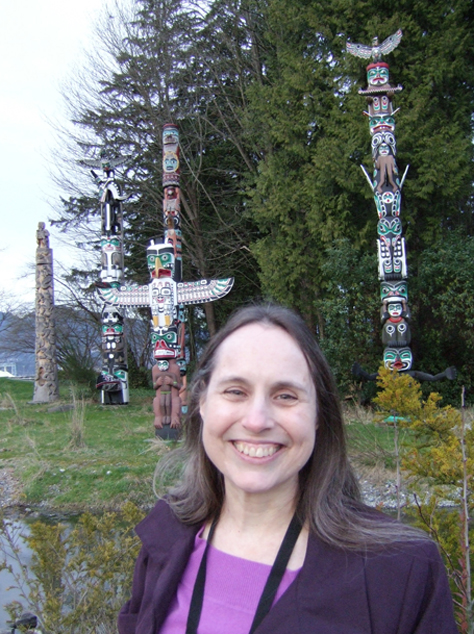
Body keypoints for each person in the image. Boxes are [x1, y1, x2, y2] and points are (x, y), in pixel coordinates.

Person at [118, 303, 458, 634]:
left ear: (319, 416)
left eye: (286, 396)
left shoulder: (399, 571)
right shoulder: (165, 538)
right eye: (236, 391)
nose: (256, 420)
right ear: (202, 402)